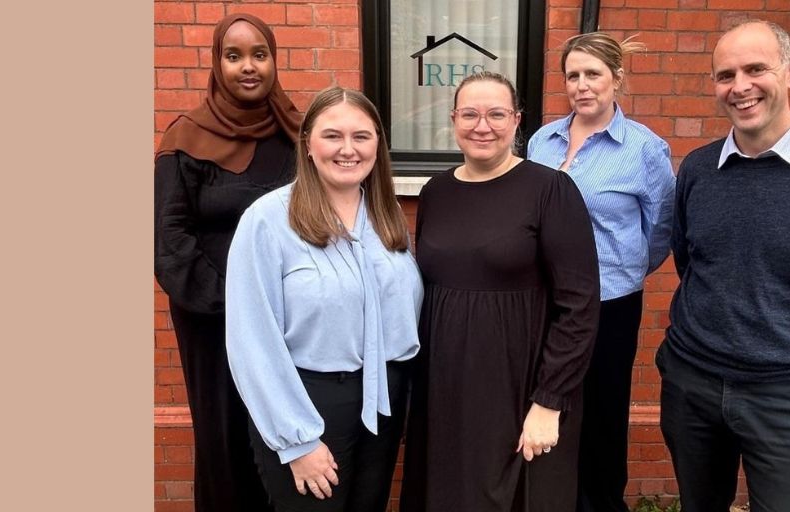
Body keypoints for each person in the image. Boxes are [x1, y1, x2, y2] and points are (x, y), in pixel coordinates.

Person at [656, 19, 790, 512]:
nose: (740, 86)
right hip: (693, 383)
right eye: (726, 75)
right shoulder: (698, 169)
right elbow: (690, 262)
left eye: (755, 69)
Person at [399, 71, 601, 512]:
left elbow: (579, 306)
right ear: (454, 119)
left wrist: (549, 401)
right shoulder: (436, 192)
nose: (482, 126)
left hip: (518, 386)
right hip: (445, 386)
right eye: (470, 114)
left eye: (496, 114)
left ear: (516, 120)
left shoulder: (550, 190)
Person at [225, 86, 422, 512]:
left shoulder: (386, 216)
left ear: (377, 146)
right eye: (333, 135)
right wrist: (297, 439)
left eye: (361, 136)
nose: (348, 149)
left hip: (382, 402)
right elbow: (251, 340)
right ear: (308, 145)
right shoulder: (268, 220)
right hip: (309, 402)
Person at [154, 13, 302, 512]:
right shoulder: (184, 139)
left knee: (283, 425)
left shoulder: (298, 135)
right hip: (211, 316)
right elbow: (170, 240)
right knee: (225, 431)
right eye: (233, 56)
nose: (248, 66)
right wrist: (234, 304)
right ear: (217, 64)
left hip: (287, 315)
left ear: (274, 61)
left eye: (259, 54)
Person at [526, 32, 676, 512]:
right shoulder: (542, 141)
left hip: (609, 304)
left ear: (617, 78)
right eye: (573, 75)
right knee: (547, 405)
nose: (582, 85)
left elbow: (660, 230)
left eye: (593, 74)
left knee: (602, 414)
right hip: (544, 300)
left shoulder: (644, 149)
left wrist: (619, 271)